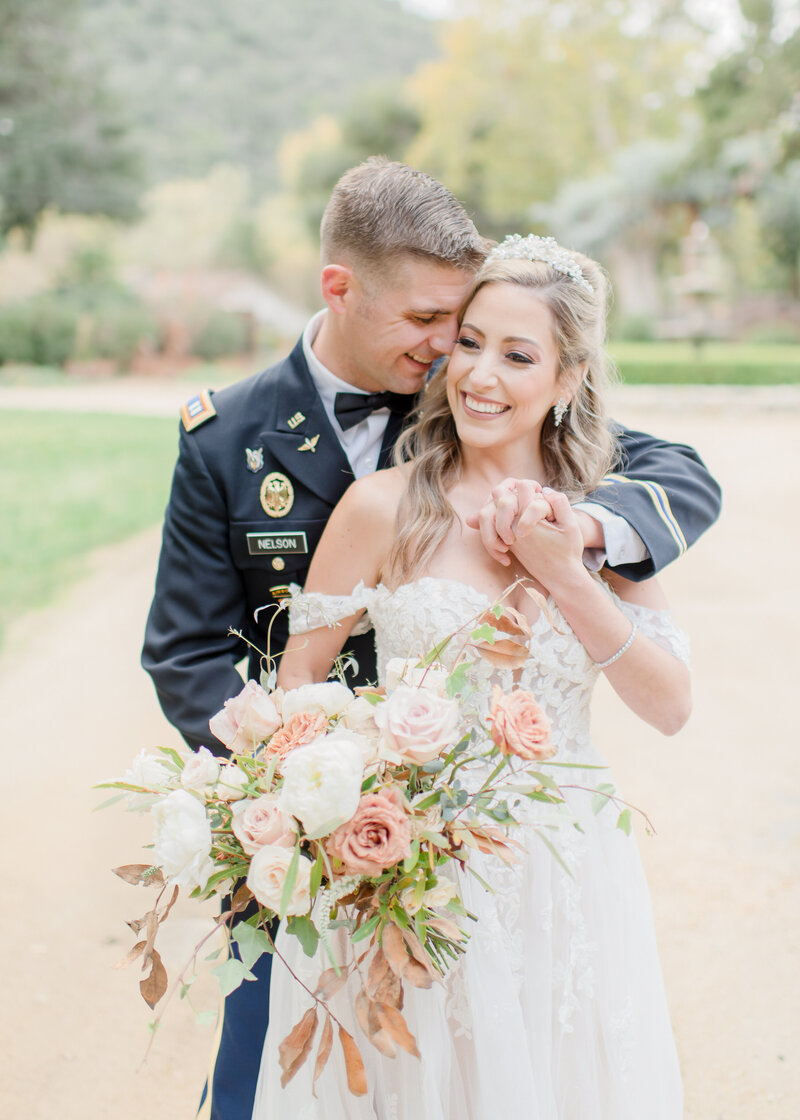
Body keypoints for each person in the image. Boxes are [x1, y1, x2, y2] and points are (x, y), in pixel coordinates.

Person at [142, 160, 720, 1120]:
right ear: (342, 290)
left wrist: (575, 544)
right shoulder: (228, 437)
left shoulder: (541, 439)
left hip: (554, 862)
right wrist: (305, 804)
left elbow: (675, 479)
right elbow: (194, 655)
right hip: (350, 831)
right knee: (289, 1081)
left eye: (489, 341)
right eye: (440, 331)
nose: (462, 358)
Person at [254, 234, 693, 1119]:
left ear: (568, 380)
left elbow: (671, 705)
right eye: (470, 342)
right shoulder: (382, 507)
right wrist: (346, 797)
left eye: (518, 354)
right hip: (411, 868)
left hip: (565, 875)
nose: (481, 376)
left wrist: (566, 570)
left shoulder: (613, 522)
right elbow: (296, 687)